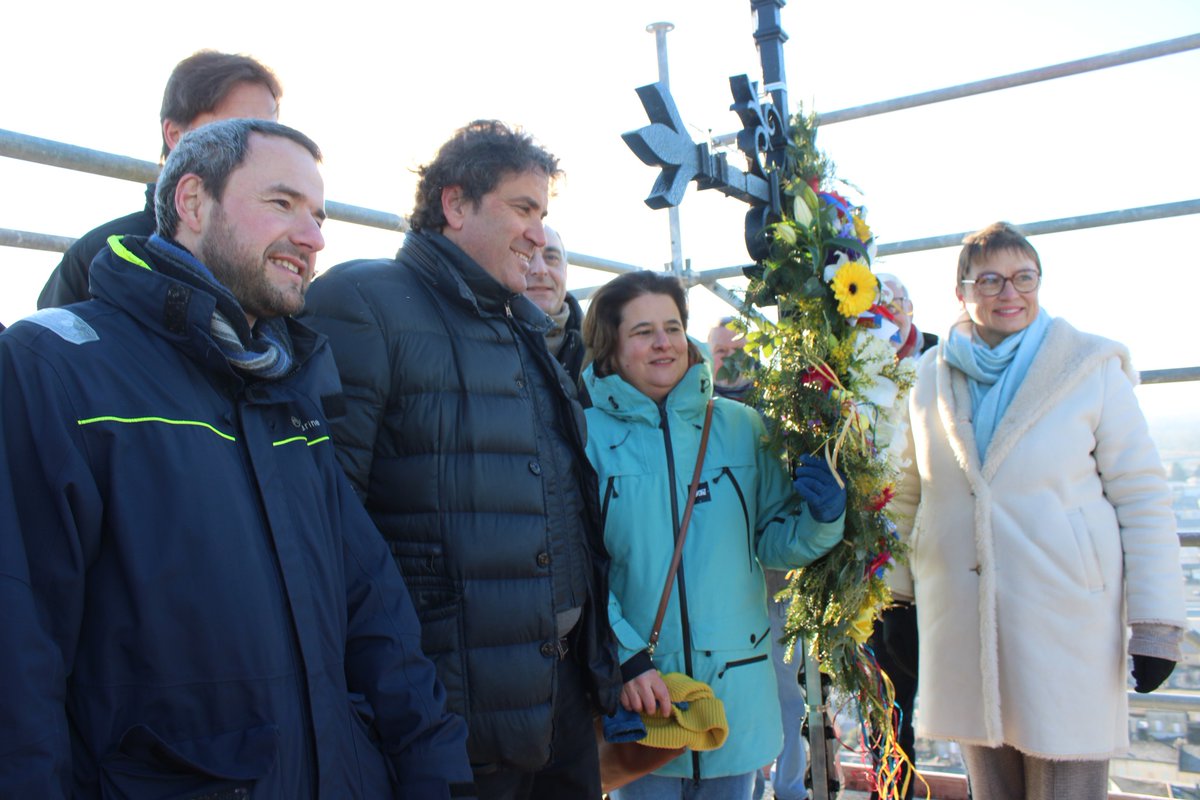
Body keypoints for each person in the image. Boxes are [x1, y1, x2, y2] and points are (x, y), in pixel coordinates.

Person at [0, 119, 475, 798]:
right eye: (282, 203)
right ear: (193, 202)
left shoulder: (289, 385)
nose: (313, 237)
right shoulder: (54, 367)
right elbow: (19, 646)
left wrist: (435, 777)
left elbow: (375, 613)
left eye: (318, 217)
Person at [300, 119, 622, 799]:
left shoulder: (522, 326)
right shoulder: (364, 303)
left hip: (560, 697)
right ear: (455, 204)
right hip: (447, 717)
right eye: (523, 208)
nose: (538, 233)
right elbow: (322, 527)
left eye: (543, 213)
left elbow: (568, 516)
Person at [889, 221, 1186, 800]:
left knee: (1065, 785)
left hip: (1066, 619)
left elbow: (1143, 495)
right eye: (990, 280)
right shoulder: (928, 377)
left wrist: (1156, 628)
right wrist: (896, 601)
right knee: (991, 789)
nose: (1010, 293)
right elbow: (907, 495)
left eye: (1024, 277)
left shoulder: (1088, 368)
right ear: (961, 292)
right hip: (963, 623)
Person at [581, 270, 847, 799]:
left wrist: (823, 518)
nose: (663, 342)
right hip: (646, 694)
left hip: (733, 696)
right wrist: (626, 657)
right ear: (610, 346)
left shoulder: (741, 426)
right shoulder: (586, 437)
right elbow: (579, 569)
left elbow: (773, 540)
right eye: (643, 332)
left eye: (672, 327)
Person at [37, 50, 281, 309]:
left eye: (272, 135)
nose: (262, 150)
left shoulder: (279, 255)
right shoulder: (97, 255)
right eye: (238, 130)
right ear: (175, 135)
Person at [706, 318, 807, 800]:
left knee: (785, 691)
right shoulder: (696, 412)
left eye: (740, 350)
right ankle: (750, 783)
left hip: (774, 579)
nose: (731, 360)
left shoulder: (782, 414)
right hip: (719, 585)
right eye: (721, 351)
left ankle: (789, 788)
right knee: (730, 692)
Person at [867, 274, 938, 800]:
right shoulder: (854, 366)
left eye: (897, 302)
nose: (889, 312)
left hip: (939, 560)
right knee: (888, 701)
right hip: (876, 567)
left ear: (912, 307)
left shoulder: (942, 363)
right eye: (878, 304)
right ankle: (892, 790)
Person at [524, 224, 586, 384]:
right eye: (525, 256)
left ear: (565, 270)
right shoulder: (476, 346)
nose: (540, 270)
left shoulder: (605, 348)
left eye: (551, 258)